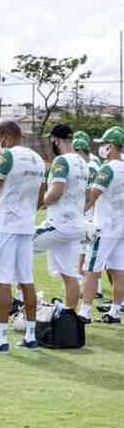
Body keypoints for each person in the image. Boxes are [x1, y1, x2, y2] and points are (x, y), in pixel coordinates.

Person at [0, 121, 44, 352]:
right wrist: (27, 213)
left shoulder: (7, 157)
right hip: (26, 225)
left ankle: (1, 338)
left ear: (6, 137)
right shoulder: (37, 159)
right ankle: (31, 335)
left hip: (5, 225)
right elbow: (41, 196)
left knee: (3, 280)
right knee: (27, 279)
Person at [33, 124, 87, 312]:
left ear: (56, 140)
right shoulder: (82, 162)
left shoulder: (61, 161)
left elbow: (56, 192)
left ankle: (23, 299)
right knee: (69, 274)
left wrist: (39, 204)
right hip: (76, 225)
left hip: (60, 224)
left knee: (20, 246)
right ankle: (69, 317)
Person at [82, 126, 124, 324]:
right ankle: (115, 312)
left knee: (91, 270)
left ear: (112, 146)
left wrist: (78, 213)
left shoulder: (107, 169)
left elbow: (92, 197)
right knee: (118, 271)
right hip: (121, 227)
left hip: (104, 226)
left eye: (105, 144)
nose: (102, 148)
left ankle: (85, 312)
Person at [72, 131, 104, 299]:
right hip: (95, 215)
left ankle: (83, 288)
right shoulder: (95, 163)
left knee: (85, 255)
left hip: (90, 216)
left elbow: (89, 193)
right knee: (92, 256)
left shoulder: (90, 166)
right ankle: (95, 288)